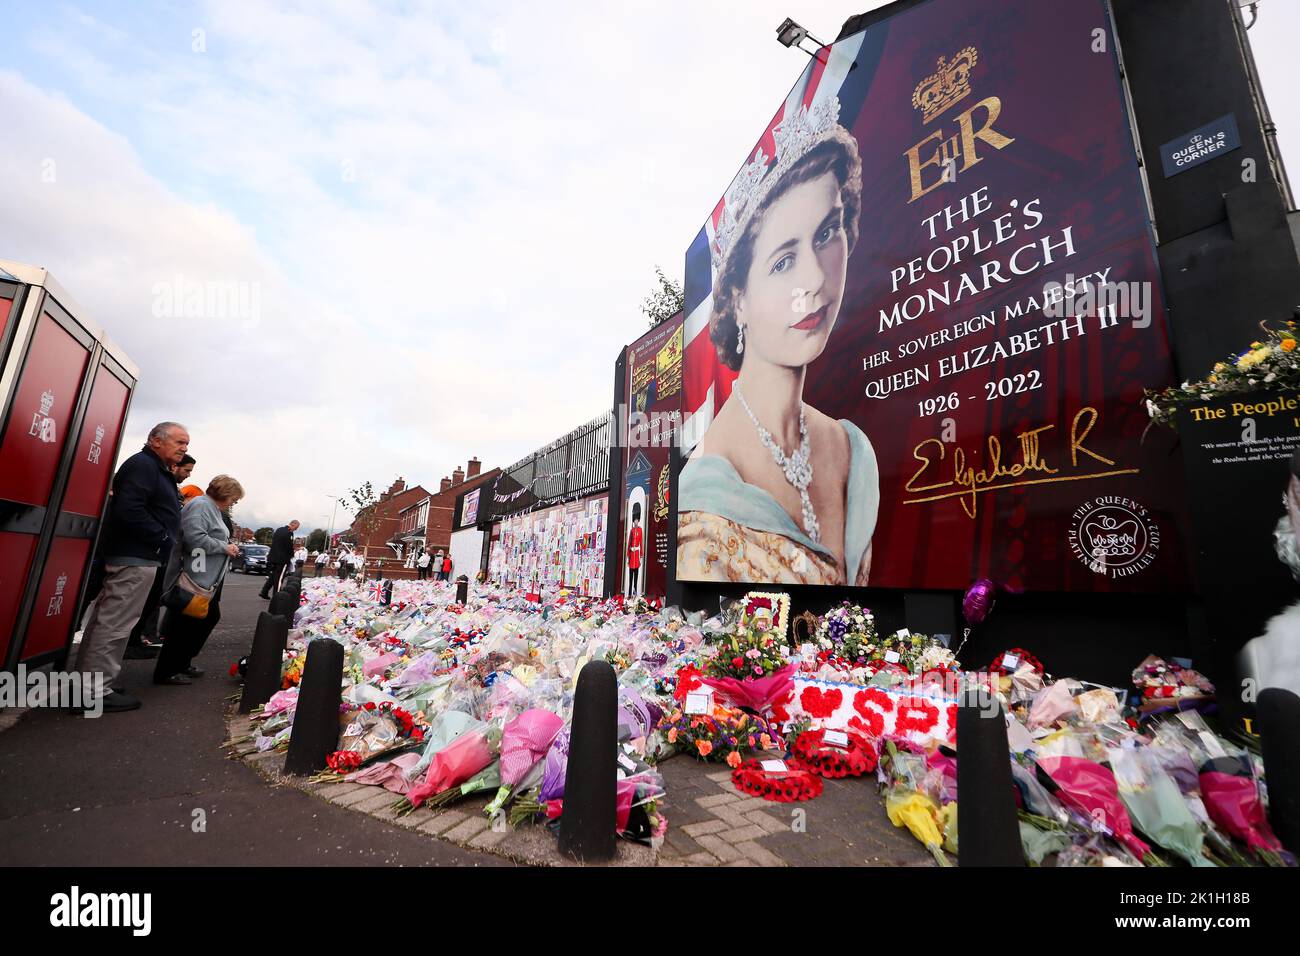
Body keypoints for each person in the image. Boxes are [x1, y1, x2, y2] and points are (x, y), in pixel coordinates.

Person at [677, 97, 878, 586]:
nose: (813, 278)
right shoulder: (705, 493)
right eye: (783, 261)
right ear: (738, 301)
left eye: (828, 232)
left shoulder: (853, 449)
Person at [75, 422, 189, 712]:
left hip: (138, 556)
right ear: (155, 441)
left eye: (186, 444)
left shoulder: (156, 469)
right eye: (179, 442)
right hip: (134, 557)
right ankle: (93, 692)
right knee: (114, 625)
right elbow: (129, 509)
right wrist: (162, 537)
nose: (184, 448)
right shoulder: (143, 466)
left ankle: (92, 684)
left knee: (108, 622)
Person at [153, 475, 244, 685]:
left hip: (202, 575)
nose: (233, 503)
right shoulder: (202, 506)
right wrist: (224, 547)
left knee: (200, 620)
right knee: (184, 624)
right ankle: (168, 670)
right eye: (234, 499)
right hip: (195, 576)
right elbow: (194, 539)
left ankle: (181, 663)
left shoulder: (209, 507)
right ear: (226, 494)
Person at [124, 454, 200, 661]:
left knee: (150, 601)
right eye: (186, 470)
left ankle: (136, 640)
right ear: (175, 467)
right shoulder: (151, 474)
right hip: (149, 551)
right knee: (137, 604)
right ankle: (130, 643)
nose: (188, 475)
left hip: (161, 554)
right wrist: (163, 536)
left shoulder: (171, 488)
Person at [260, 519, 300, 599]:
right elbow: (288, 546)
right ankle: (276, 597)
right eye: (296, 528)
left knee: (273, 576)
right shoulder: (289, 533)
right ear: (293, 525)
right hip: (282, 559)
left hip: (273, 557)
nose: (296, 529)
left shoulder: (279, 530)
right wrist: (292, 554)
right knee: (279, 578)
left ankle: (264, 591)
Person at [627, 502, 643, 596]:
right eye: (635, 520)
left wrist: (641, 557)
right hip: (632, 555)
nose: (636, 521)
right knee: (630, 577)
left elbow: (641, 543)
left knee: (636, 577)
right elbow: (629, 543)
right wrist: (628, 556)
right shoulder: (632, 530)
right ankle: (629, 593)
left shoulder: (640, 530)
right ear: (633, 521)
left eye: (637, 520)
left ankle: (635, 592)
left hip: (636, 556)